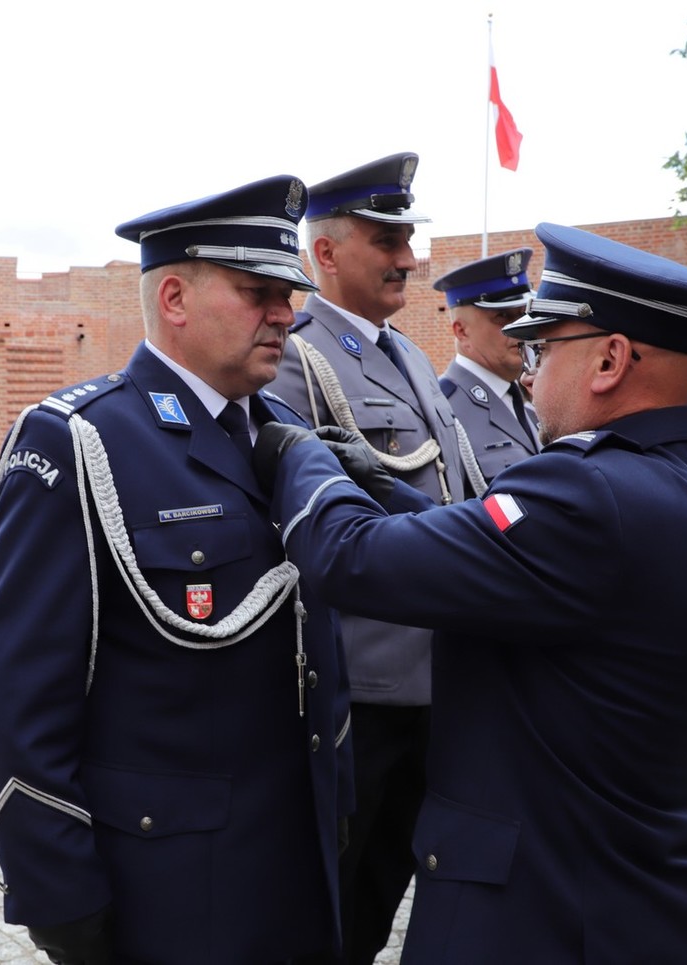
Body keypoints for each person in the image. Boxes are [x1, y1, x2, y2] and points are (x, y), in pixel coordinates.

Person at [254, 222, 687, 963]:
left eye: (544, 348)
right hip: (639, 893)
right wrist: (381, 485)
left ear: (610, 359)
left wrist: (304, 458)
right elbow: (504, 558)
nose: (531, 373)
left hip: (539, 913)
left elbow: (349, 558)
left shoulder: (587, 491)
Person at [0, 175, 354, 965]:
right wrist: (63, 903)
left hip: (299, 866)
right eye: (258, 292)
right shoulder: (79, 442)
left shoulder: (282, 435)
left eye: (288, 293)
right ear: (174, 298)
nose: (286, 313)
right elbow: (19, 705)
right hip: (169, 889)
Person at [267, 151, 463, 965]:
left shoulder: (410, 357)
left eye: (408, 237)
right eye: (386, 239)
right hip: (361, 690)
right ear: (325, 254)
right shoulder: (295, 354)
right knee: (333, 906)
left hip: (438, 678)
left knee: (383, 891)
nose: (408, 258)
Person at [433, 249, 539, 495]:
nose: (520, 327)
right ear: (462, 332)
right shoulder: (442, 409)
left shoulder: (528, 404)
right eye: (503, 316)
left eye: (523, 314)